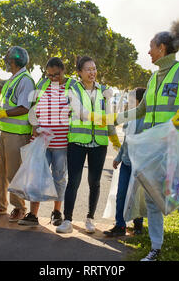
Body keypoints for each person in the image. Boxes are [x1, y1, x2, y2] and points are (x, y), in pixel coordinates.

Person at [110, 19, 179, 261]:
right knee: (153, 199)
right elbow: (142, 110)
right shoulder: (153, 79)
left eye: (151, 46)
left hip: (175, 146)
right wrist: (114, 118)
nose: (148, 51)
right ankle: (155, 248)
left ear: (162, 48)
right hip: (154, 147)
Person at [56, 56, 121, 234]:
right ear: (79, 72)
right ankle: (67, 220)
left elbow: (109, 119)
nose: (92, 72)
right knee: (74, 182)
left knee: (95, 182)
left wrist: (114, 140)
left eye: (94, 68)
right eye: (88, 69)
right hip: (77, 142)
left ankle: (90, 219)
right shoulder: (73, 89)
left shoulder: (105, 91)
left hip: (99, 144)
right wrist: (95, 117)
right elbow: (79, 111)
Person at [17, 57, 76, 226]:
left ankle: (57, 212)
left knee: (59, 177)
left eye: (56, 74)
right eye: (49, 75)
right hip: (42, 141)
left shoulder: (72, 86)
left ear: (63, 70)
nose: (52, 78)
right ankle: (33, 215)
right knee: (37, 176)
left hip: (62, 142)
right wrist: (34, 127)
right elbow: (34, 110)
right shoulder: (43, 85)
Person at [0, 46, 35, 222]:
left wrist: (1, 113)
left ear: (13, 61)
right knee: (1, 171)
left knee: (14, 173)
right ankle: (0, 204)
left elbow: (23, 107)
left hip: (18, 134)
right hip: (6, 133)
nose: (6, 63)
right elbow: (5, 97)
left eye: (7, 60)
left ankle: (19, 207)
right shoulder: (15, 78)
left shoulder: (26, 80)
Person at [103, 87, 146, 237]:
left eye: (132, 100)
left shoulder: (147, 119)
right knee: (120, 194)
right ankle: (120, 225)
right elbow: (127, 140)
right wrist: (118, 157)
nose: (128, 102)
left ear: (140, 102)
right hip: (126, 163)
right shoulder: (129, 117)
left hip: (139, 164)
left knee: (136, 196)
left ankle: (138, 224)